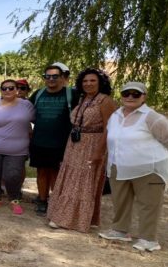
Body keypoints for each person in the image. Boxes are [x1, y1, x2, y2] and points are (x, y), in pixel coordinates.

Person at [98, 82, 168, 252]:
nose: (130, 97)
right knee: (120, 201)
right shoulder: (115, 115)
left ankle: (149, 239)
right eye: (126, 93)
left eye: (135, 94)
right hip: (118, 167)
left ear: (144, 97)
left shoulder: (152, 117)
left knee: (148, 205)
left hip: (148, 170)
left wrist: (155, 156)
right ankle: (120, 230)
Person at [47, 68, 116, 232]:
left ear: (100, 83)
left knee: (82, 181)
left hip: (92, 144)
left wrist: (99, 151)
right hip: (75, 144)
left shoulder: (105, 101)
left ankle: (69, 219)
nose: (88, 84)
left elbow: (109, 128)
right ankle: (64, 214)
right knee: (70, 178)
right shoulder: (83, 98)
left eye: (92, 80)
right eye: (85, 81)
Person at [28, 63, 79, 215]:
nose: (51, 79)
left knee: (57, 173)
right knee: (41, 172)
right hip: (39, 141)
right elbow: (25, 111)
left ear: (62, 77)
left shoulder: (72, 94)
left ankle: (56, 201)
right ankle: (43, 200)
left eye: (55, 76)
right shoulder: (38, 94)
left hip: (62, 143)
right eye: (47, 76)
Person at [0, 80, 35, 215]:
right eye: (4, 88)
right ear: (1, 91)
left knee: (12, 175)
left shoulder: (26, 105)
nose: (8, 91)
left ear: (16, 89)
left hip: (17, 151)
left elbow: (38, 121)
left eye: (11, 88)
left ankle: (14, 199)